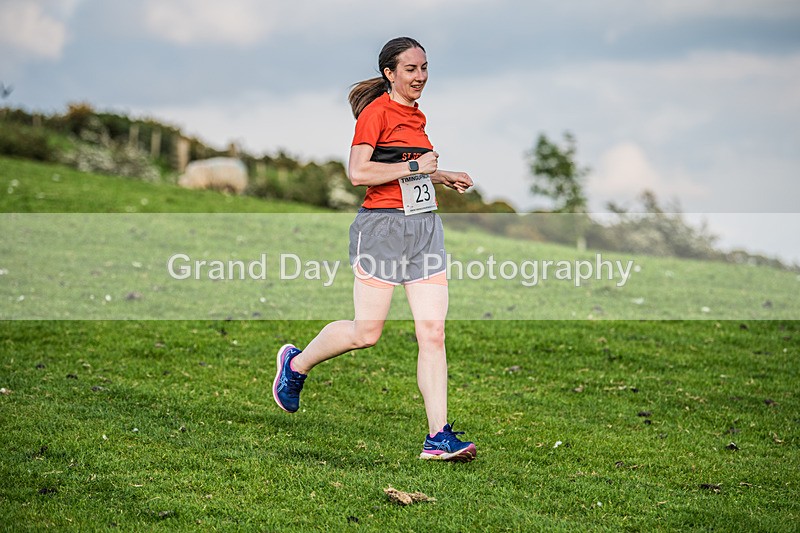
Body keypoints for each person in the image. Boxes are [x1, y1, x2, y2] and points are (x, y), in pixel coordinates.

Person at [273, 37, 476, 462]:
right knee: (366, 333)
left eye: (424, 68)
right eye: (411, 69)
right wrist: (418, 165)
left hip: (424, 229)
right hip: (382, 230)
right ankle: (295, 365)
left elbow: (404, 172)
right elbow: (359, 172)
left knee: (433, 332)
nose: (420, 76)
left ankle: (438, 437)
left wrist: (441, 176)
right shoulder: (376, 113)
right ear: (390, 73)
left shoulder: (416, 115)